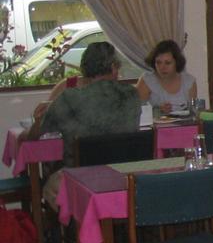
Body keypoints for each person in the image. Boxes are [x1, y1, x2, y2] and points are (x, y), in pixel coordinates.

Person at [23, 41, 141, 206]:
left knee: (49, 185)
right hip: (124, 175)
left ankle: (65, 228)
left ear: (84, 69)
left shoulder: (69, 98)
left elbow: (35, 136)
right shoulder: (132, 95)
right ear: (114, 67)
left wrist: (36, 121)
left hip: (82, 177)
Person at [135, 39, 197, 113]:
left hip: (186, 124)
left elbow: (194, 111)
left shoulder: (189, 81)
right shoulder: (146, 81)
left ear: (177, 62)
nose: (162, 67)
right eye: (158, 62)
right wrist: (157, 110)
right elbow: (136, 112)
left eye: (167, 63)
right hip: (155, 124)